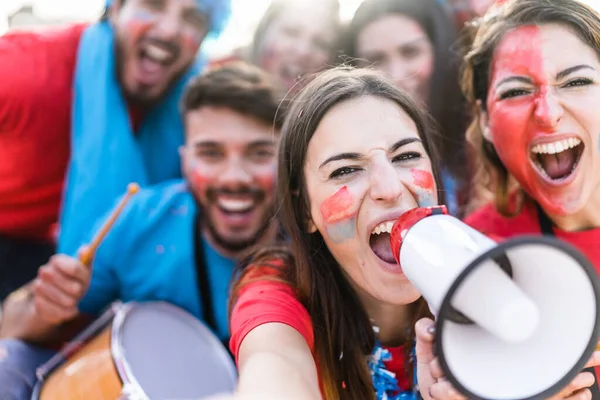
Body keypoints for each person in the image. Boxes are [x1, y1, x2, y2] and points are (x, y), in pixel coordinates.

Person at [215, 67, 600, 400]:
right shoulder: (276, 288)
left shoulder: (500, 272)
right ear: (304, 211)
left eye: (405, 157)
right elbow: (274, 367)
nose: (391, 187)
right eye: (345, 170)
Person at [0, 61, 286, 400]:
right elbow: (10, 328)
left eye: (259, 153)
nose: (234, 177)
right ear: (184, 158)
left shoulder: (317, 237)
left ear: (286, 159)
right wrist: (45, 308)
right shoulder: (139, 219)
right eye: (211, 153)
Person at [0, 0, 230, 301]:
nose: (170, 30)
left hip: (58, 255)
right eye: (153, 4)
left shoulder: (197, 104)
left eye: (194, 18)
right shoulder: (23, 72)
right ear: (117, 8)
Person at [461, 0, 600, 394]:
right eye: (518, 91)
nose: (548, 112)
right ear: (486, 121)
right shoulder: (476, 256)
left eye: (576, 82)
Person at [340, 0, 469, 216]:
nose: (395, 76)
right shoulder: (342, 162)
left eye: (410, 52)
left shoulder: (482, 143)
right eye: (375, 59)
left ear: (440, 52)